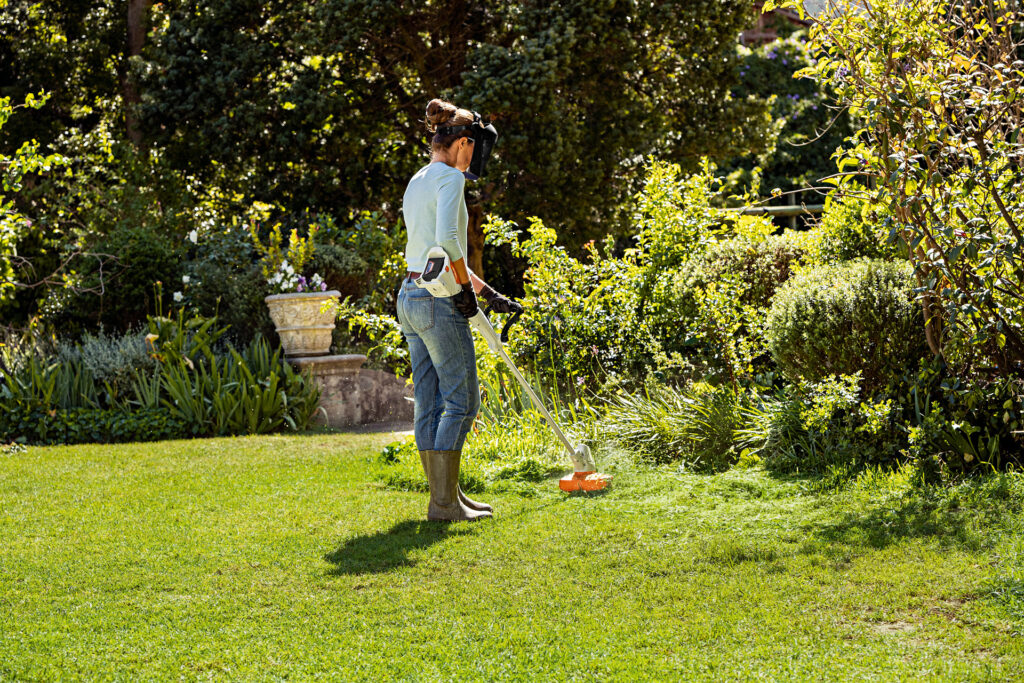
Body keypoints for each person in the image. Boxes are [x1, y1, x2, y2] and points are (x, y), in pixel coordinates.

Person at [397, 98, 522, 522]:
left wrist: (486, 294)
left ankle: (446, 496)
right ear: (464, 143)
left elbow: (434, 253)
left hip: (410, 295)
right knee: (462, 403)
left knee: (428, 403)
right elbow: (450, 240)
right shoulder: (450, 178)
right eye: (475, 149)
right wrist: (464, 292)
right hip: (438, 300)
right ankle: (444, 504)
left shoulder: (418, 178)